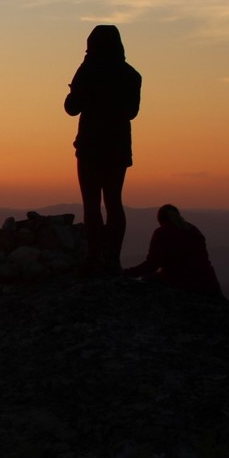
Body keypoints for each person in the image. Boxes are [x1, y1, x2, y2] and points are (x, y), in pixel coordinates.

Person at [64, 25, 142, 275]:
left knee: (91, 203)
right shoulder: (131, 75)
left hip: (90, 145)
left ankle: (93, 256)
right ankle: (113, 259)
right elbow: (132, 113)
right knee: (114, 202)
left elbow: (71, 108)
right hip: (118, 147)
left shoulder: (87, 71)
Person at [124, 204, 222, 297]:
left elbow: (151, 264)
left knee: (148, 281)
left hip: (181, 282)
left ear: (160, 220)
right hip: (208, 282)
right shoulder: (194, 230)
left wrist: (127, 273)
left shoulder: (162, 233)